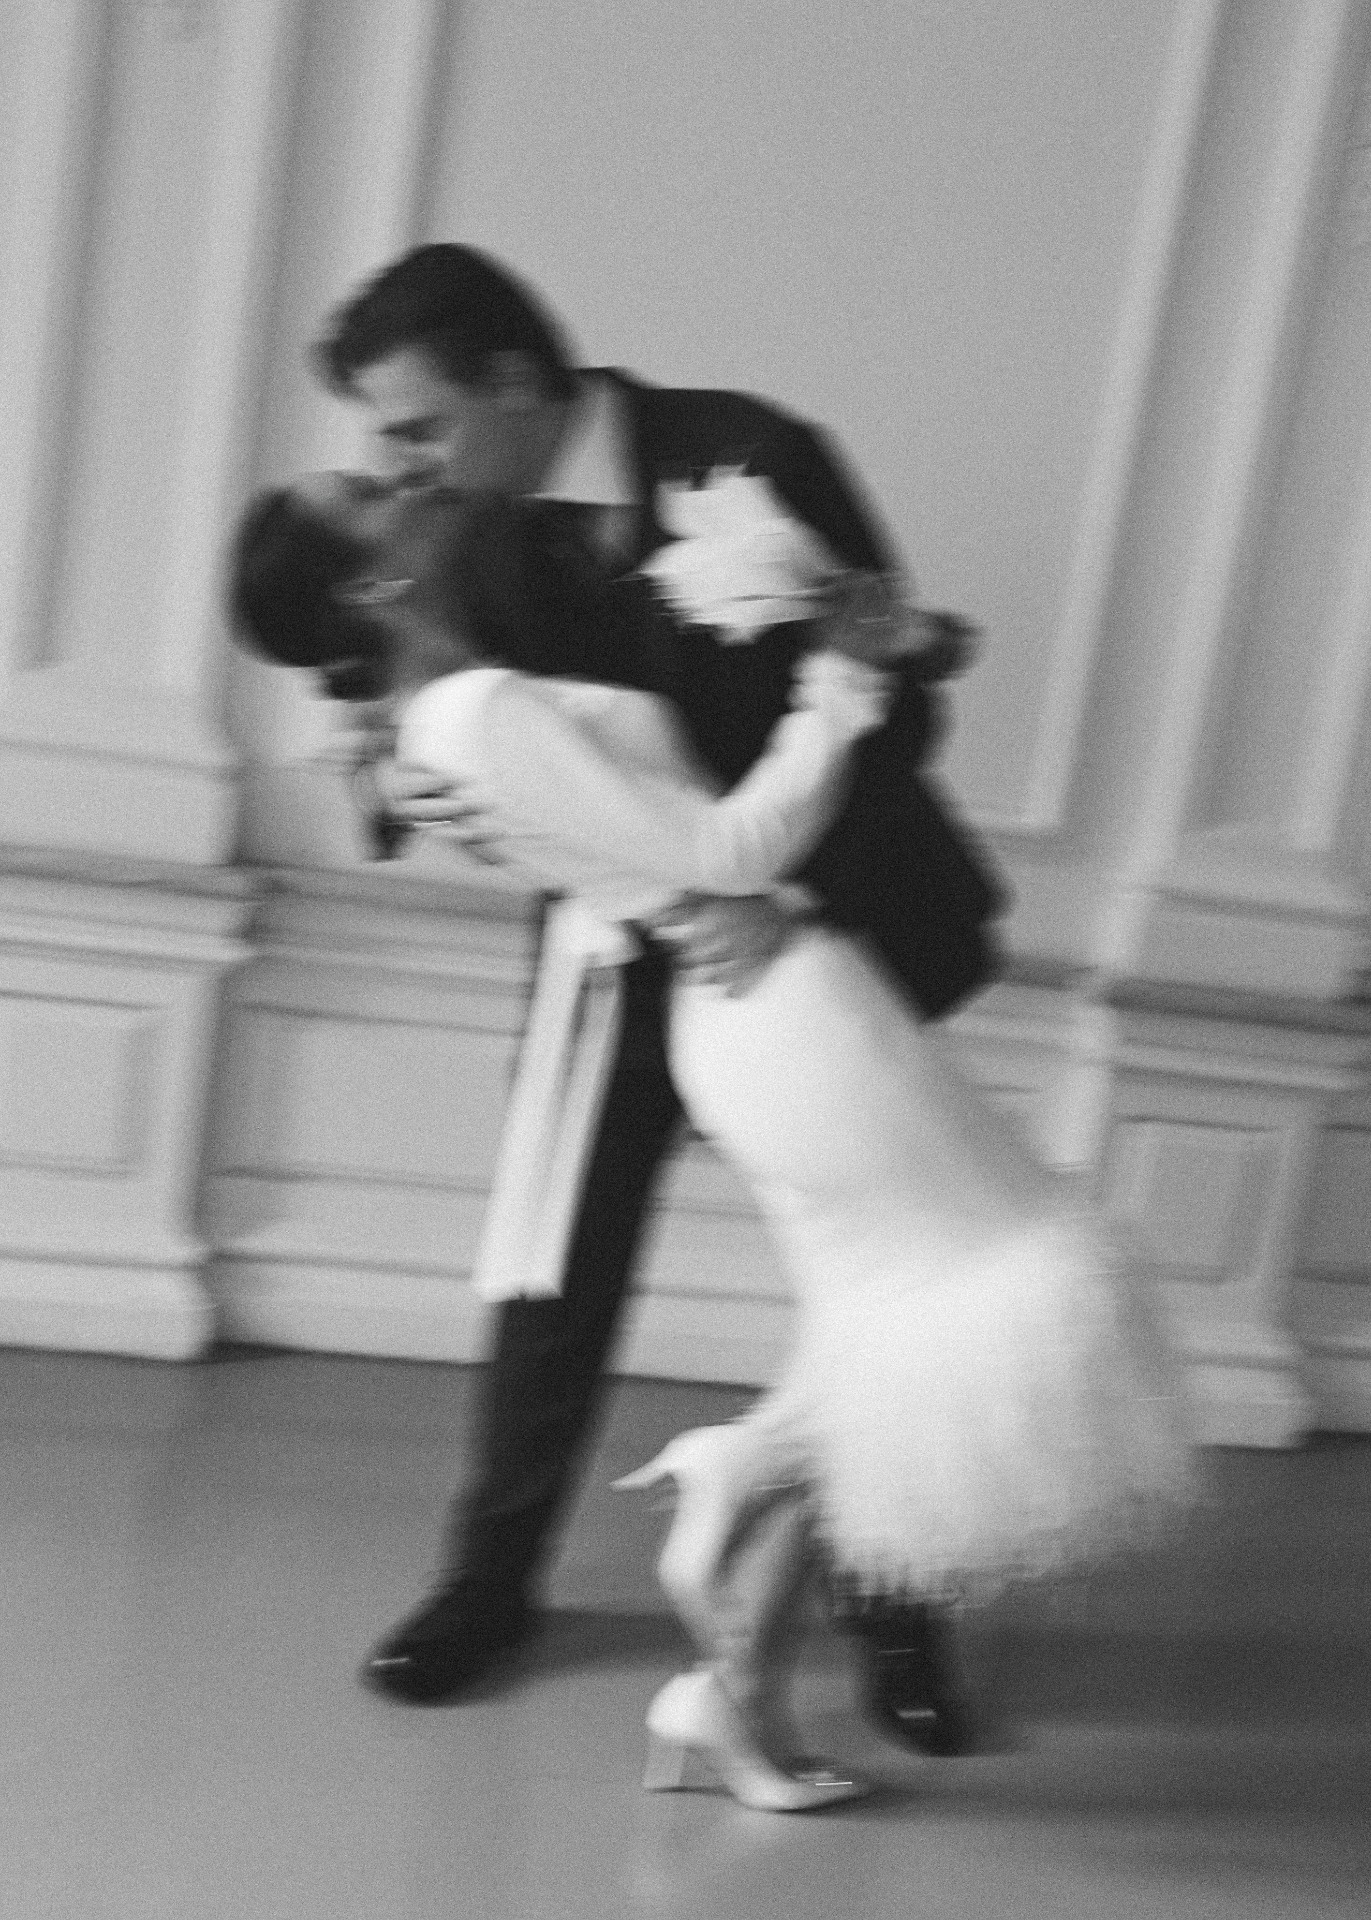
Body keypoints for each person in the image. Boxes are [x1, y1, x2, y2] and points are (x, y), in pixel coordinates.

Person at [228, 483, 1193, 1811]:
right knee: (967, 1276)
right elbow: (730, 848)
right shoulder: (476, 712)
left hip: (775, 998)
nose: (407, 484)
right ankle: (735, 1499)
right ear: (368, 587)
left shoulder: (455, 701)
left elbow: (656, 837)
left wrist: (873, 648)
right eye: (373, 496)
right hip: (780, 1004)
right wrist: (838, 685)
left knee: (877, 1324)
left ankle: (731, 1695)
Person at [240, 242, 1007, 1755]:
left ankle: (888, 1594)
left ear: (516, 378)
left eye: (418, 427)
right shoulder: (451, 533)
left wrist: (784, 905)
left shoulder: (748, 460)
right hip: (610, 960)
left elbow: (893, 699)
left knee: (880, 1273)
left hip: (816, 946)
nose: (398, 464)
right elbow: (403, 692)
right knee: (553, 1273)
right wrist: (400, 779)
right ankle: (488, 1581)